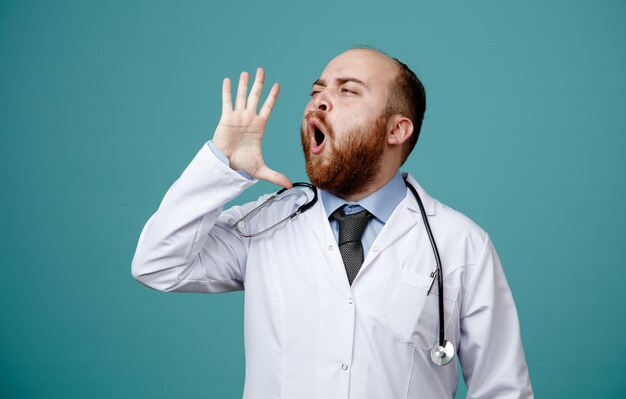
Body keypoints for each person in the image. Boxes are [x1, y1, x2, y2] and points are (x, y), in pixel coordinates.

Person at [131, 47, 534, 399]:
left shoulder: (460, 243)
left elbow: (503, 390)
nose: (319, 102)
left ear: (397, 129)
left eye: (347, 90)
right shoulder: (267, 223)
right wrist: (223, 165)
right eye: (317, 91)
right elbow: (158, 264)